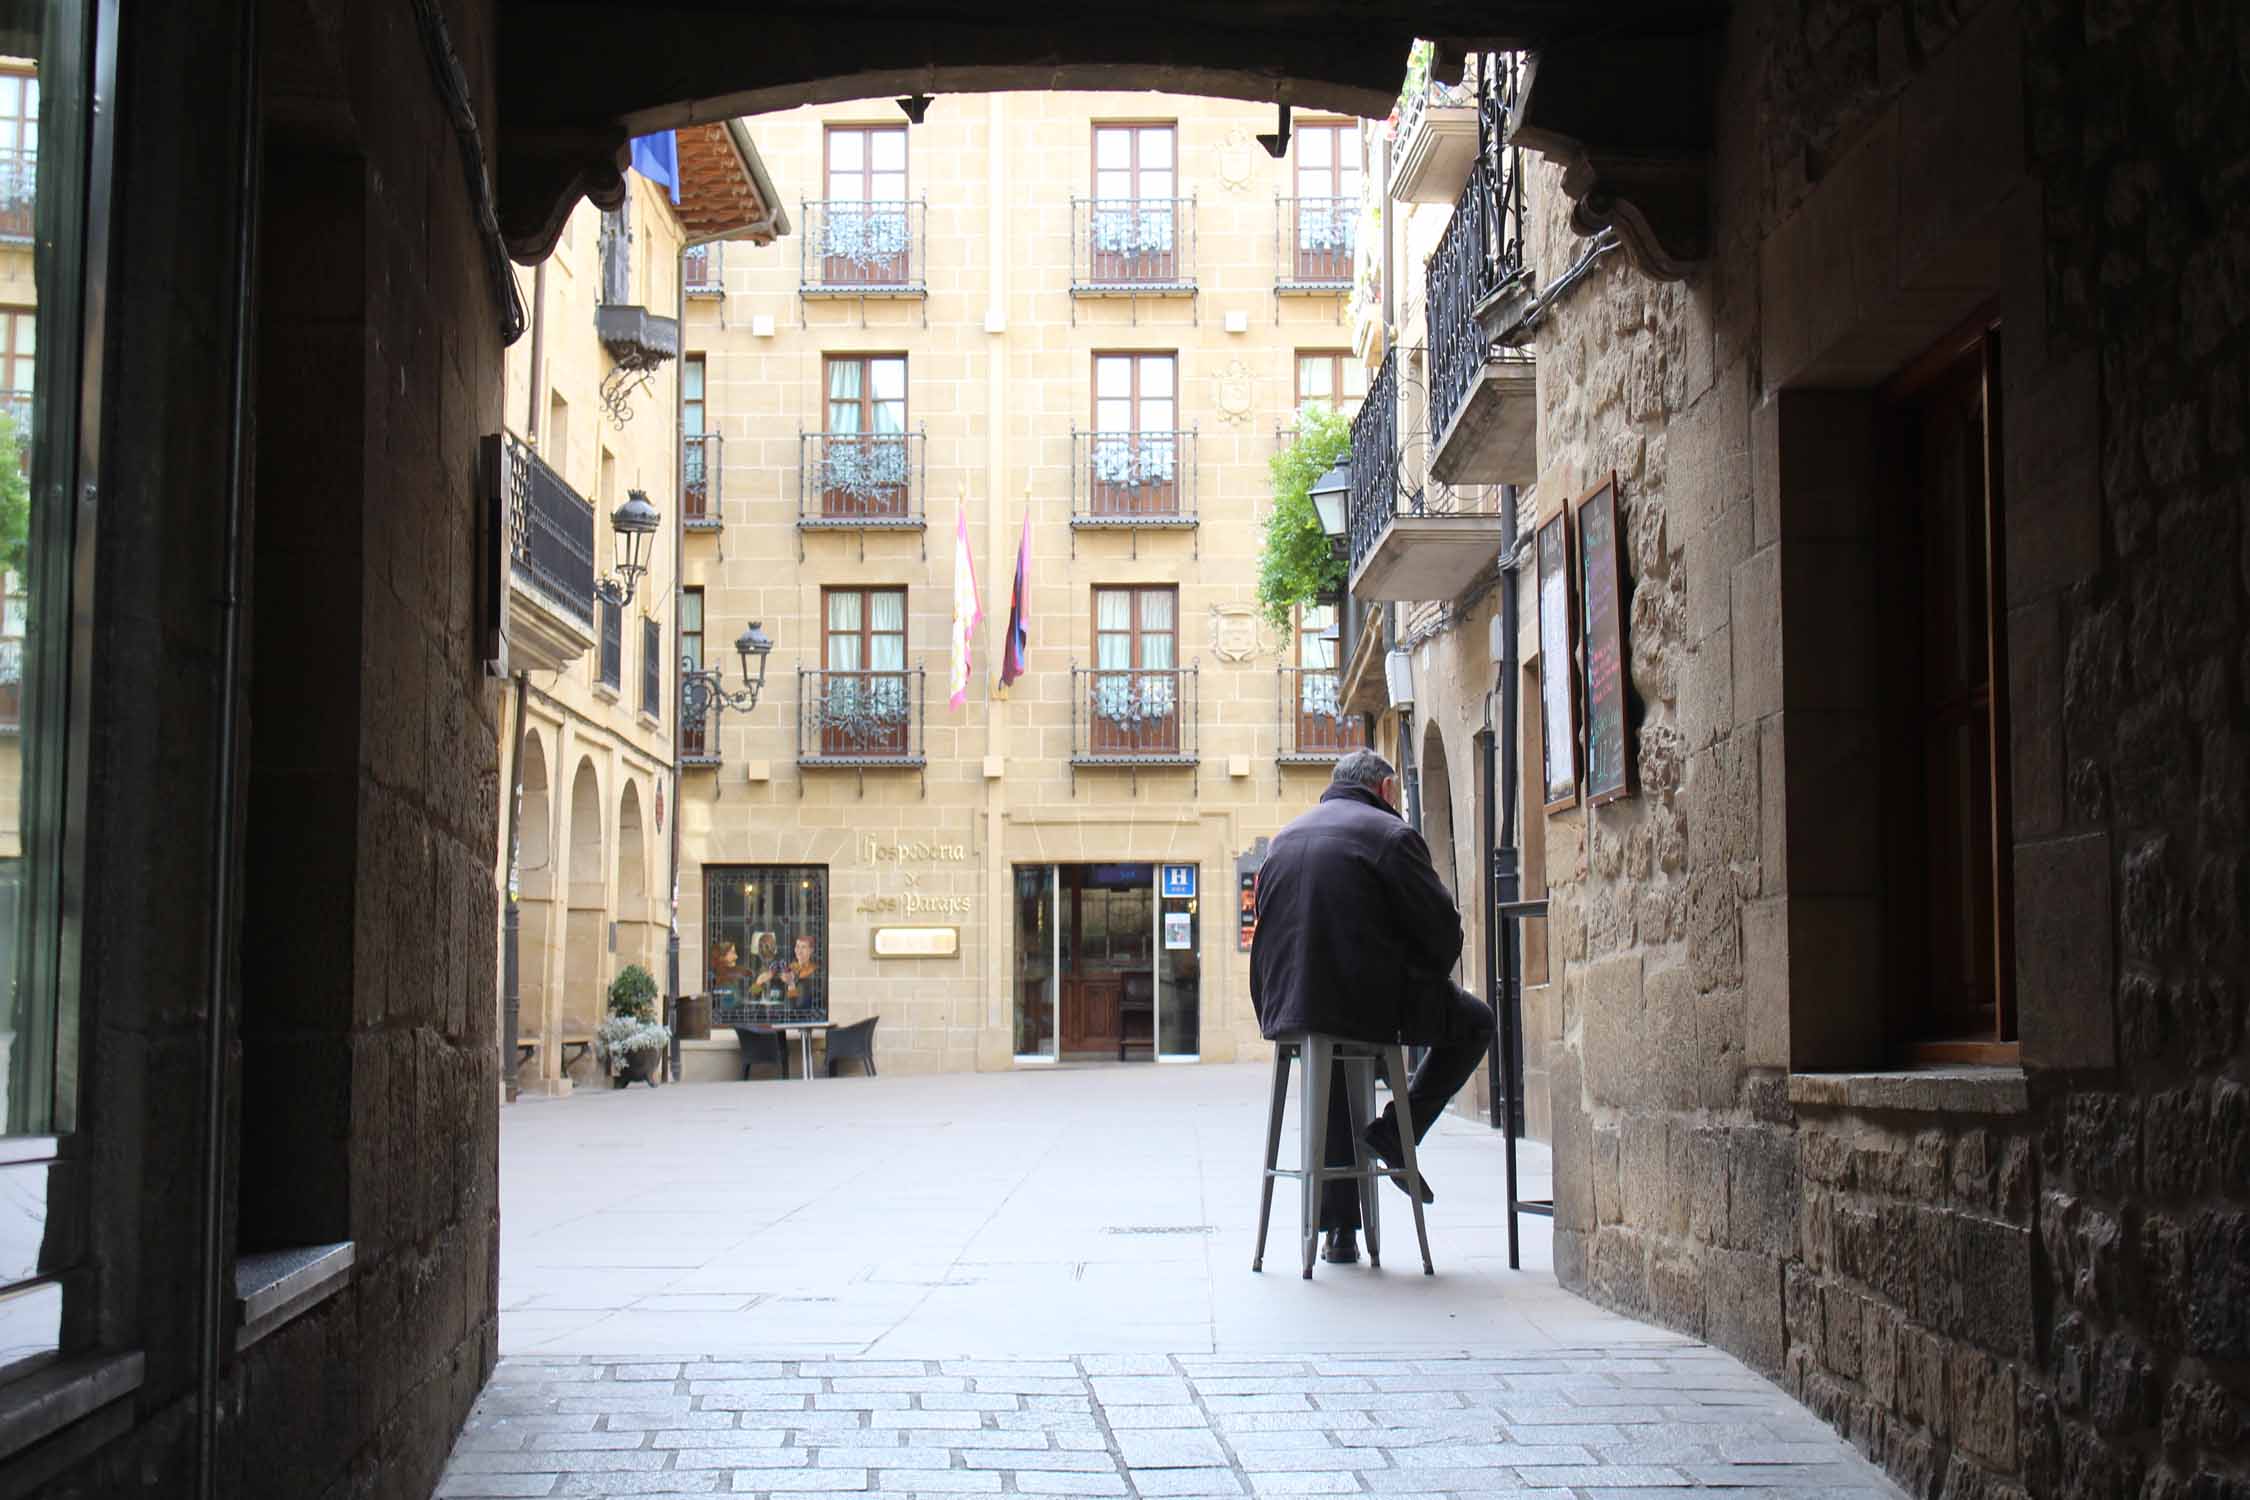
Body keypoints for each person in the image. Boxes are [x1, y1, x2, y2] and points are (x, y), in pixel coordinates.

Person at [1249, 748, 1495, 1265]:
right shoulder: (1392, 836)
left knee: (1336, 1059)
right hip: (1367, 1004)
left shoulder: (1284, 839)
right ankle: (1396, 1134)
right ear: (1386, 791)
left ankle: (1340, 1232)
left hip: (1286, 1007)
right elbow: (1443, 934)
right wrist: (1422, 976)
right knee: (1475, 1021)